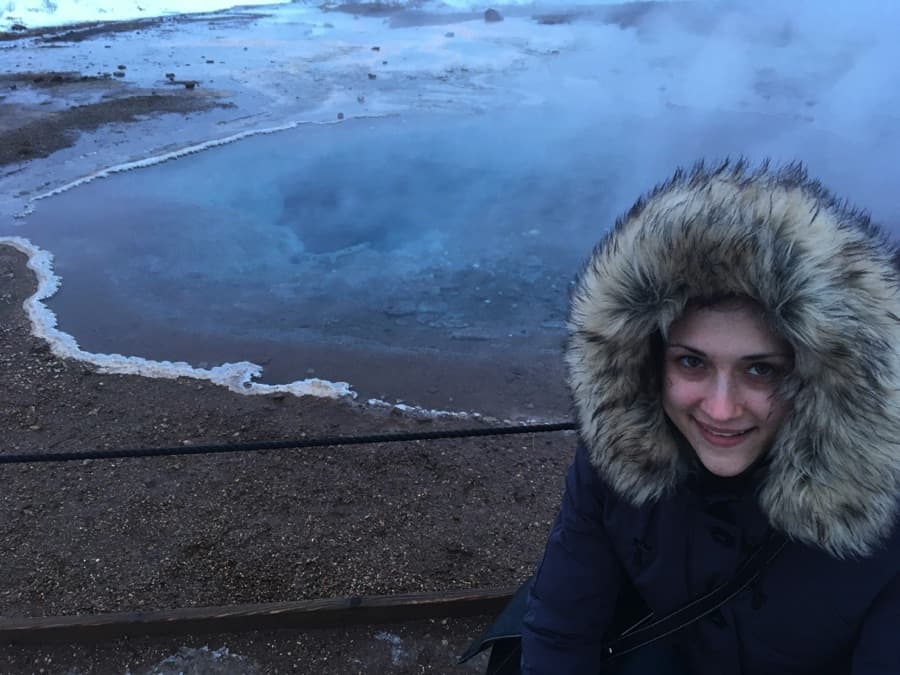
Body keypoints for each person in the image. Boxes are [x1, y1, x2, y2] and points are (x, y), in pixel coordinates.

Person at [520, 161, 900, 674]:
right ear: (648, 361)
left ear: (824, 376)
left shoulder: (884, 503)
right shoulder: (618, 458)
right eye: (692, 362)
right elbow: (562, 629)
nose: (721, 409)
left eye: (761, 370)